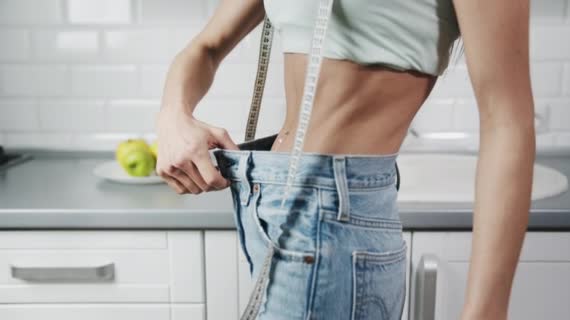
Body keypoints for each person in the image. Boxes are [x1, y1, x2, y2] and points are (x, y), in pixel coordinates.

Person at [154, 0, 535, 319]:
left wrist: (486, 310)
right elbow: (205, 47)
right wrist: (173, 115)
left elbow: (508, 121)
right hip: (270, 204)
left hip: (333, 219)